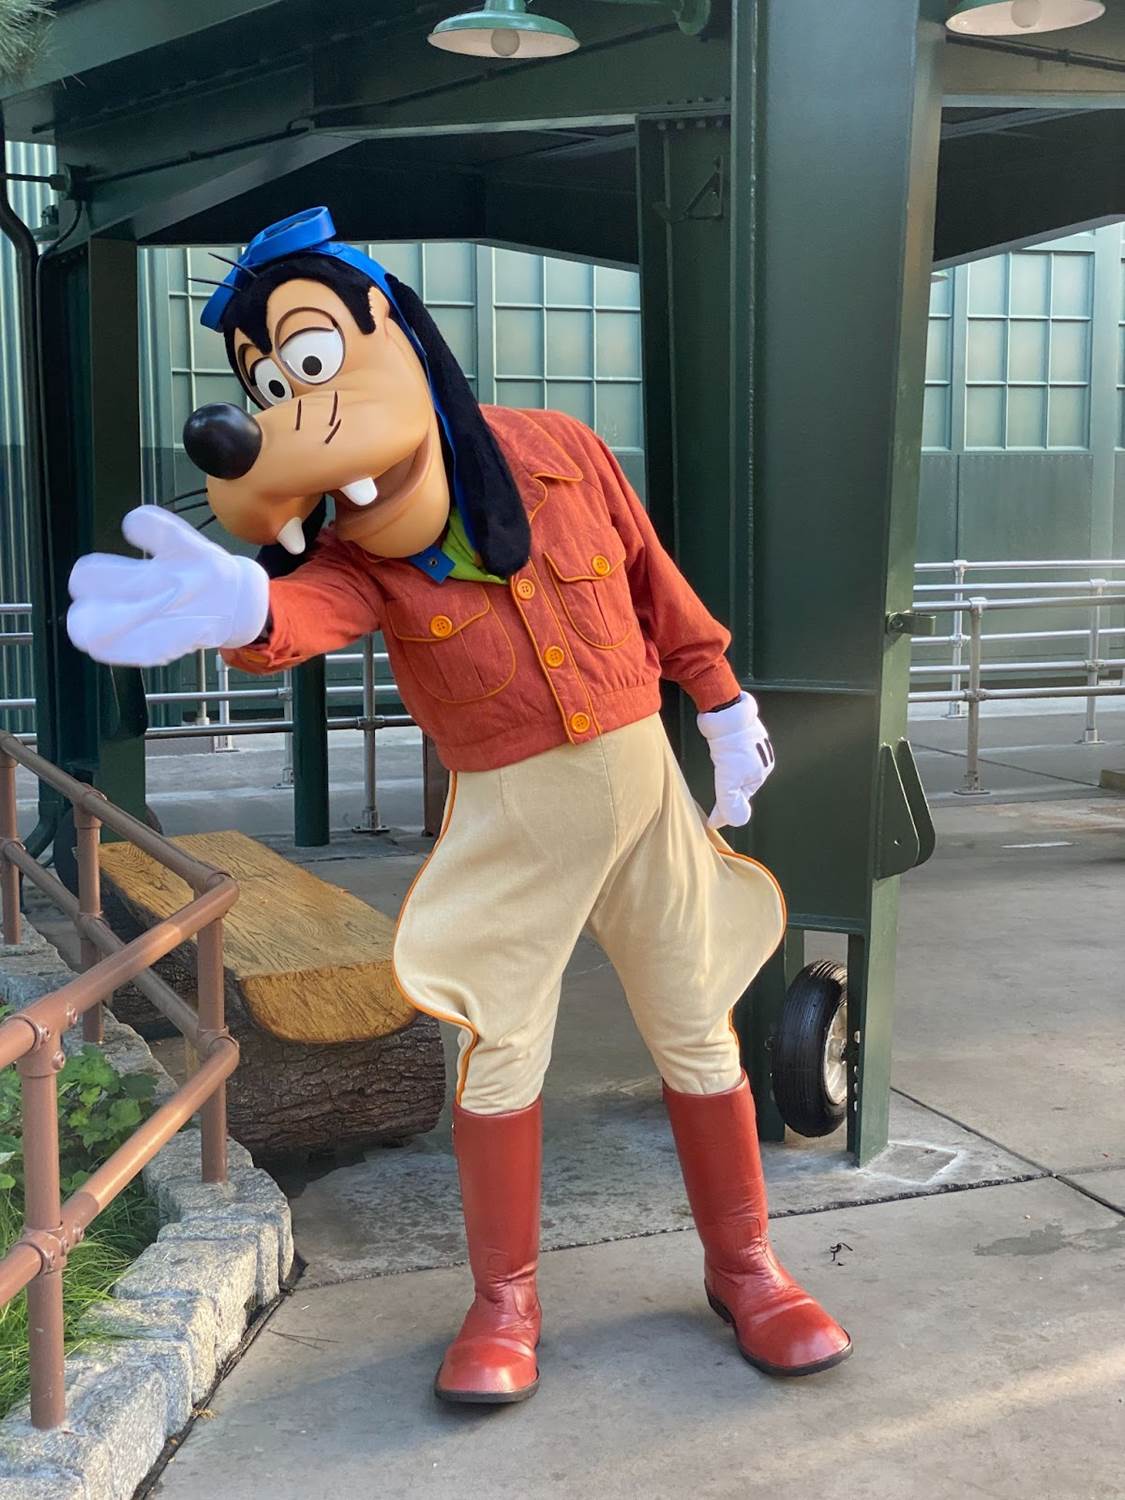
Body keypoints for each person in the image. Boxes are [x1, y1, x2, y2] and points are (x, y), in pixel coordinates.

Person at [68, 207, 852, 1404]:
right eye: (269, 386)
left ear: (396, 333)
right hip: (510, 824)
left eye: (310, 359)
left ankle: (747, 1270)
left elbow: (654, 579)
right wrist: (246, 609)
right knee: (502, 1050)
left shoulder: (561, 448)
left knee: (698, 1023)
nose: (286, 404)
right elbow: (308, 615)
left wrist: (720, 698)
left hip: (645, 794)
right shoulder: (354, 553)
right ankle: (505, 1300)